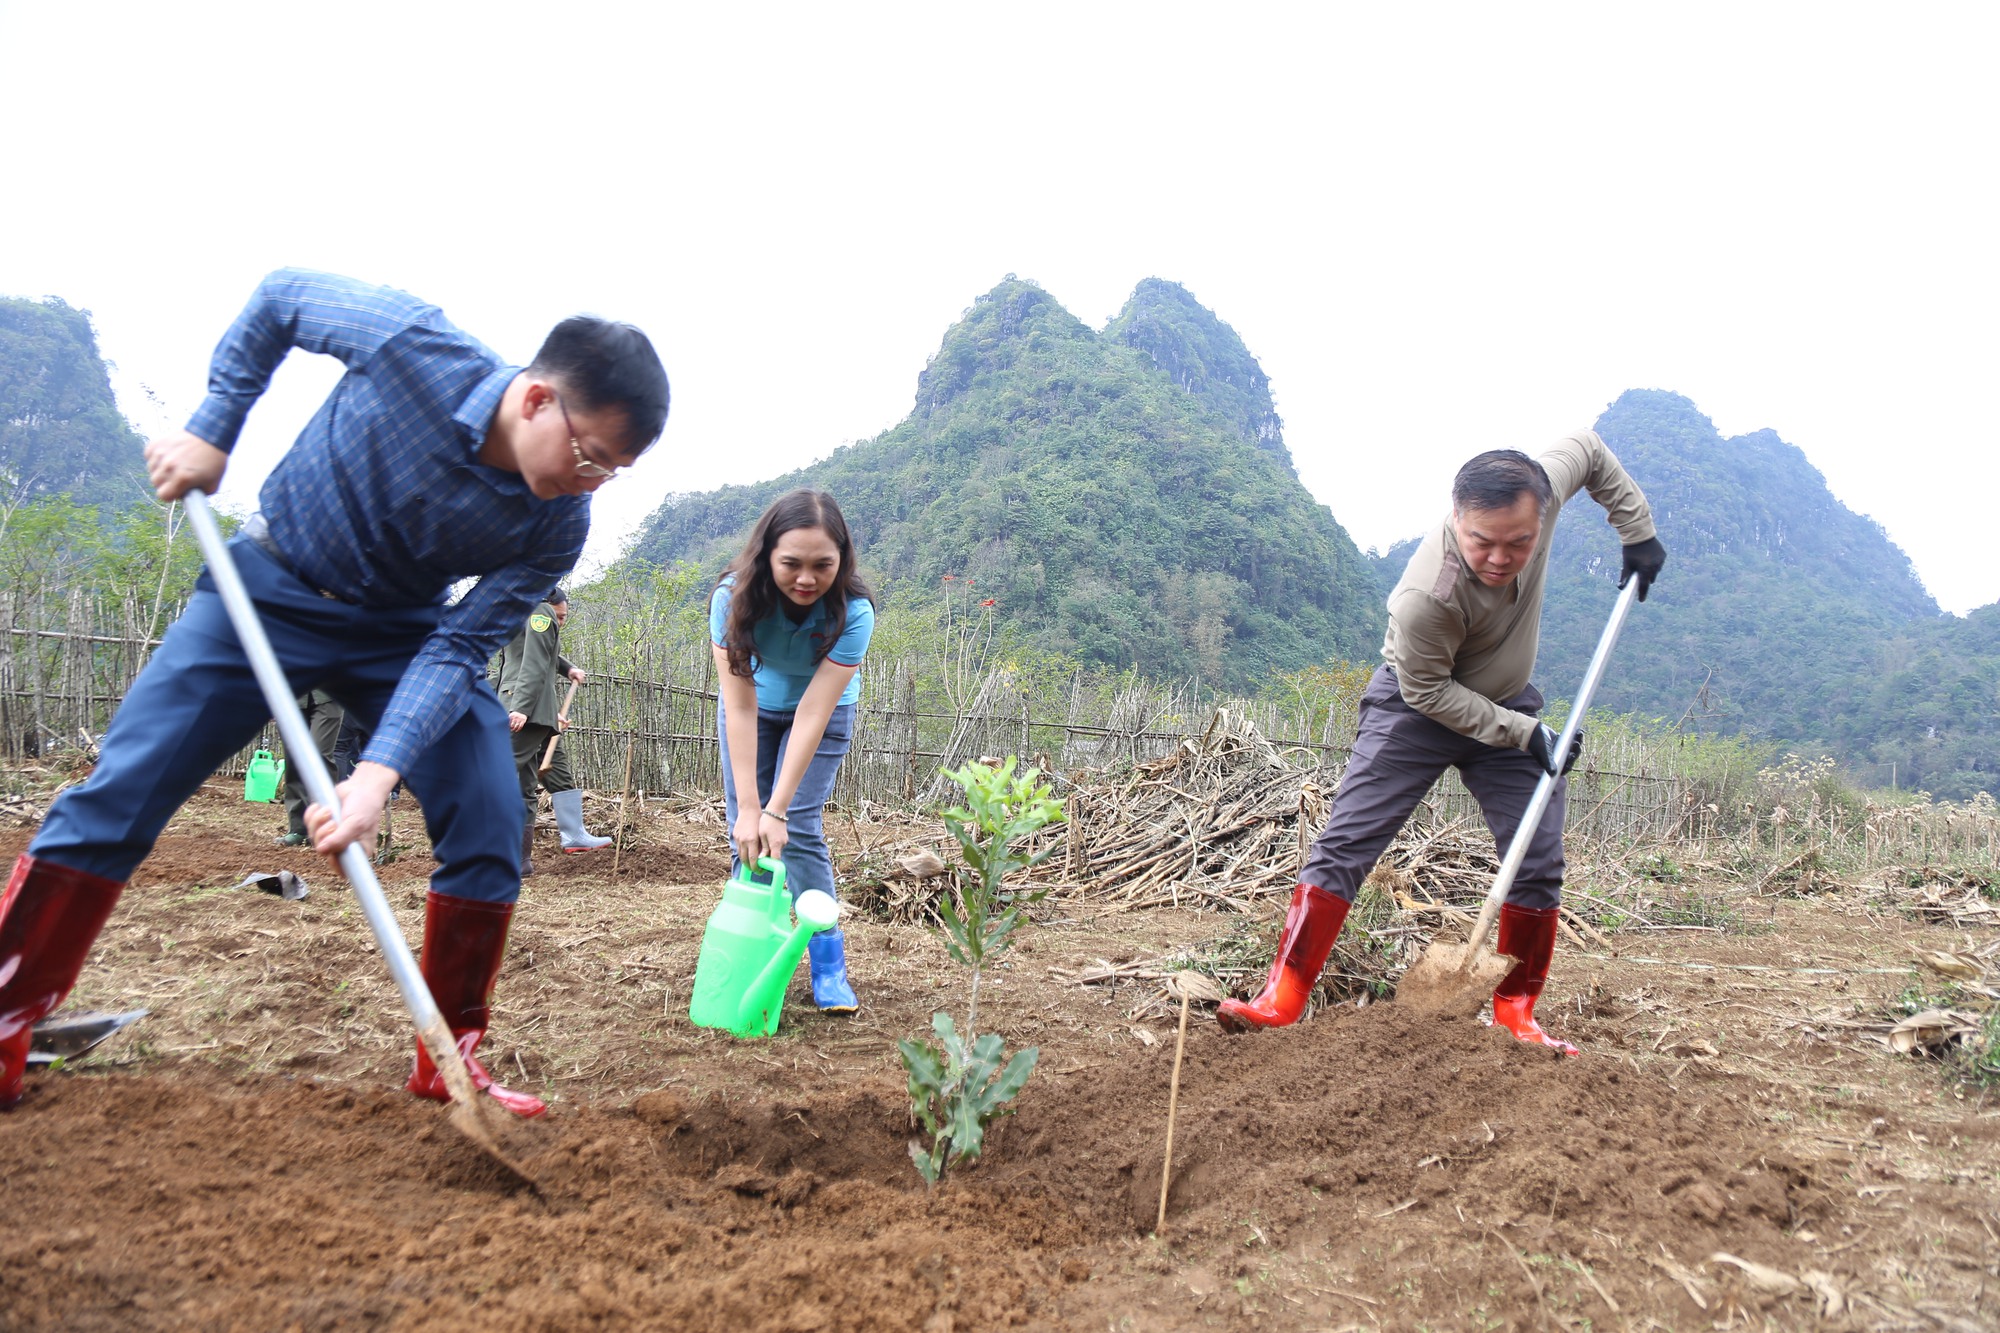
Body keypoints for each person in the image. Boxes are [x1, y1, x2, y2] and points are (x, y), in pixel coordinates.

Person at [0, 269, 669, 1115]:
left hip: (401, 634)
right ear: (537, 399)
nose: (590, 483)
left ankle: (449, 1057)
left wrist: (376, 774)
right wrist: (214, 430)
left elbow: (459, 642)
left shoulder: (555, 524)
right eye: (588, 457)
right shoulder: (415, 347)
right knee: (122, 794)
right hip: (268, 592)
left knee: (494, 811)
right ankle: (4, 1022)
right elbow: (281, 298)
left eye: (612, 472)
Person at [1218, 435, 1666, 1054]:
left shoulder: (1544, 490)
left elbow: (1588, 450)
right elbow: (1429, 693)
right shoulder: (1426, 596)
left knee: (1536, 860)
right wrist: (1527, 733)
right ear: (1457, 517)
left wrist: (1635, 531)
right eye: (1483, 541)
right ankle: (1283, 996)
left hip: (1507, 701)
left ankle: (1516, 1011)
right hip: (1417, 708)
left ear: (1543, 513)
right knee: (1349, 840)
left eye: (1519, 543)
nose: (1501, 557)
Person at [711, 490, 875, 1014]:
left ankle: (828, 965)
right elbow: (738, 706)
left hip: (820, 718)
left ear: (841, 561)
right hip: (751, 711)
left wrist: (776, 808)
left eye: (822, 565)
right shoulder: (730, 598)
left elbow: (813, 713)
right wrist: (753, 809)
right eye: (791, 564)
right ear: (767, 557)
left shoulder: (854, 613)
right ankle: (750, 948)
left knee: (796, 829)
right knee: (747, 828)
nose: (806, 578)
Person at [497, 587, 609, 872]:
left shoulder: (536, 611)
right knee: (518, 784)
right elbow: (533, 656)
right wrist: (522, 706)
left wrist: (522, 706)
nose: (559, 623)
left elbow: (538, 656)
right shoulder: (532, 610)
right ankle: (518, 861)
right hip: (522, 707)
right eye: (559, 616)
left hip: (524, 709)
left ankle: (481, 854)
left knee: (497, 774)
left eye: (563, 619)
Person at [276, 690, 368, 847]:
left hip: (327, 693)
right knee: (294, 760)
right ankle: (298, 829)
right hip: (291, 693)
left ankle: (325, 825)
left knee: (319, 757)